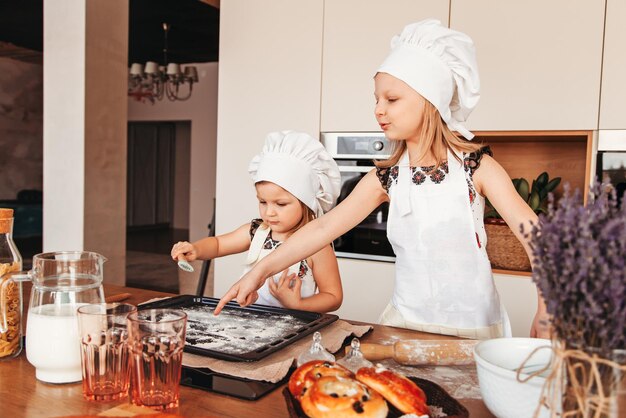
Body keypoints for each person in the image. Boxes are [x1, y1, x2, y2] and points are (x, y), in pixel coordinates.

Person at [216, 19, 550, 339]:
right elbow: (320, 229)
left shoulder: (477, 168)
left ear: (430, 101)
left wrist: (548, 309)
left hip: (474, 327)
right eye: (376, 99)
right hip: (404, 323)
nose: (378, 109)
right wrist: (261, 271)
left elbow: (538, 240)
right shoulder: (386, 177)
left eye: (391, 99)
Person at [172, 130, 343, 313]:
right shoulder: (257, 231)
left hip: (295, 329)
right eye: (262, 202)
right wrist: (196, 249)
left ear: (306, 203)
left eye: (281, 204)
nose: (269, 212)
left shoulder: (317, 246)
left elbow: (333, 296)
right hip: (251, 324)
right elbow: (219, 244)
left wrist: (297, 305)